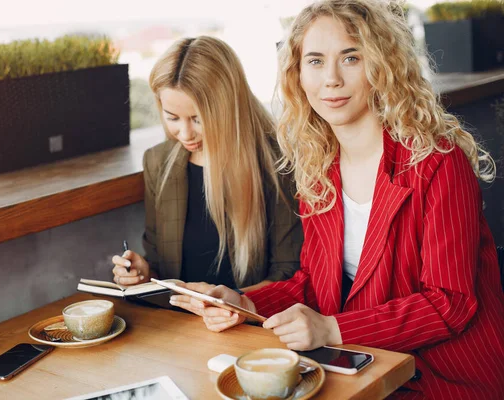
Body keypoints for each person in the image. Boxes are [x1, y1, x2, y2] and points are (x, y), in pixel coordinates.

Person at [171, 1, 504, 398]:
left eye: (350, 57)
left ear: (382, 66)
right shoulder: (320, 166)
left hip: (443, 375)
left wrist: (333, 329)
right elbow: (314, 284)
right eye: (315, 61)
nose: (331, 79)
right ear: (297, 74)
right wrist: (244, 303)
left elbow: (450, 303)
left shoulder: (437, 162)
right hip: (362, 363)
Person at [111, 36, 302, 293]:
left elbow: (288, 274)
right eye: (172, 117)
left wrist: (233, 301)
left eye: (197, 119)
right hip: (178, 322)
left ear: (228, 108)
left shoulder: (277, 162)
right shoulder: (158, 162)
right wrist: (143, 274)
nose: (185, 133)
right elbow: (159, 265)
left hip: (250, 324)